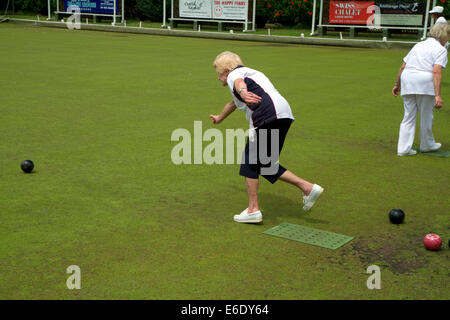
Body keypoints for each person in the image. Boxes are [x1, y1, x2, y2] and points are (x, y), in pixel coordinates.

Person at [210, 51, 323, 223]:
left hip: (266, 113)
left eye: (219, 73)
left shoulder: (234, 75)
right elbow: (233, 103)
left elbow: (239, 85)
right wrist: (219, 117)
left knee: (250, 162)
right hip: (284, 114)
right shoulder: (253, 73)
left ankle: (253, 210)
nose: (218, 78)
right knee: (266, 164)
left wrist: (243, 92)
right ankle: (308, 188)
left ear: (225, 70)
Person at [392, 23, 450, 156]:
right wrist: (438, 95)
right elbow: (436, 71)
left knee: (408, 116)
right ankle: (427, 144)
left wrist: (397, 85)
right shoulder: (441, 49)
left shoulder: (418, 45)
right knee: (426, 115)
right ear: (443, 35)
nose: (448, 39)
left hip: (408, 80)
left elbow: (403, 66)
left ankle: (403, 149)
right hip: (424, 81)